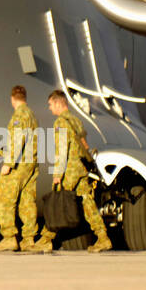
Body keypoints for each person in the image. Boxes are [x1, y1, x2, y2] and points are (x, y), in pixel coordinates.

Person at [27, 91, 112, 253]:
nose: (50, 108)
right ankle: (103, 237)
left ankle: (46, 239)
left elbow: (61, 150)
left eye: (51, 105)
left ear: (59, 104)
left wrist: (58, 174)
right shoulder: (76, 120)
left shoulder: (61, 122)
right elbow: (84, 144)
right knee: (88, 202)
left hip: (70, 170)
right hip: (81, 167)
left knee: (57, 202)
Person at [0, 85, 38, 252]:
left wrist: (8, 163)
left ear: (12, 99)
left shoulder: (19, 115)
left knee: (2, 201)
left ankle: (9, 237)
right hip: (30, 165)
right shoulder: (31, 114)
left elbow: (17, 140)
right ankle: (29, 239)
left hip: (18, 165)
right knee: (26, 202)